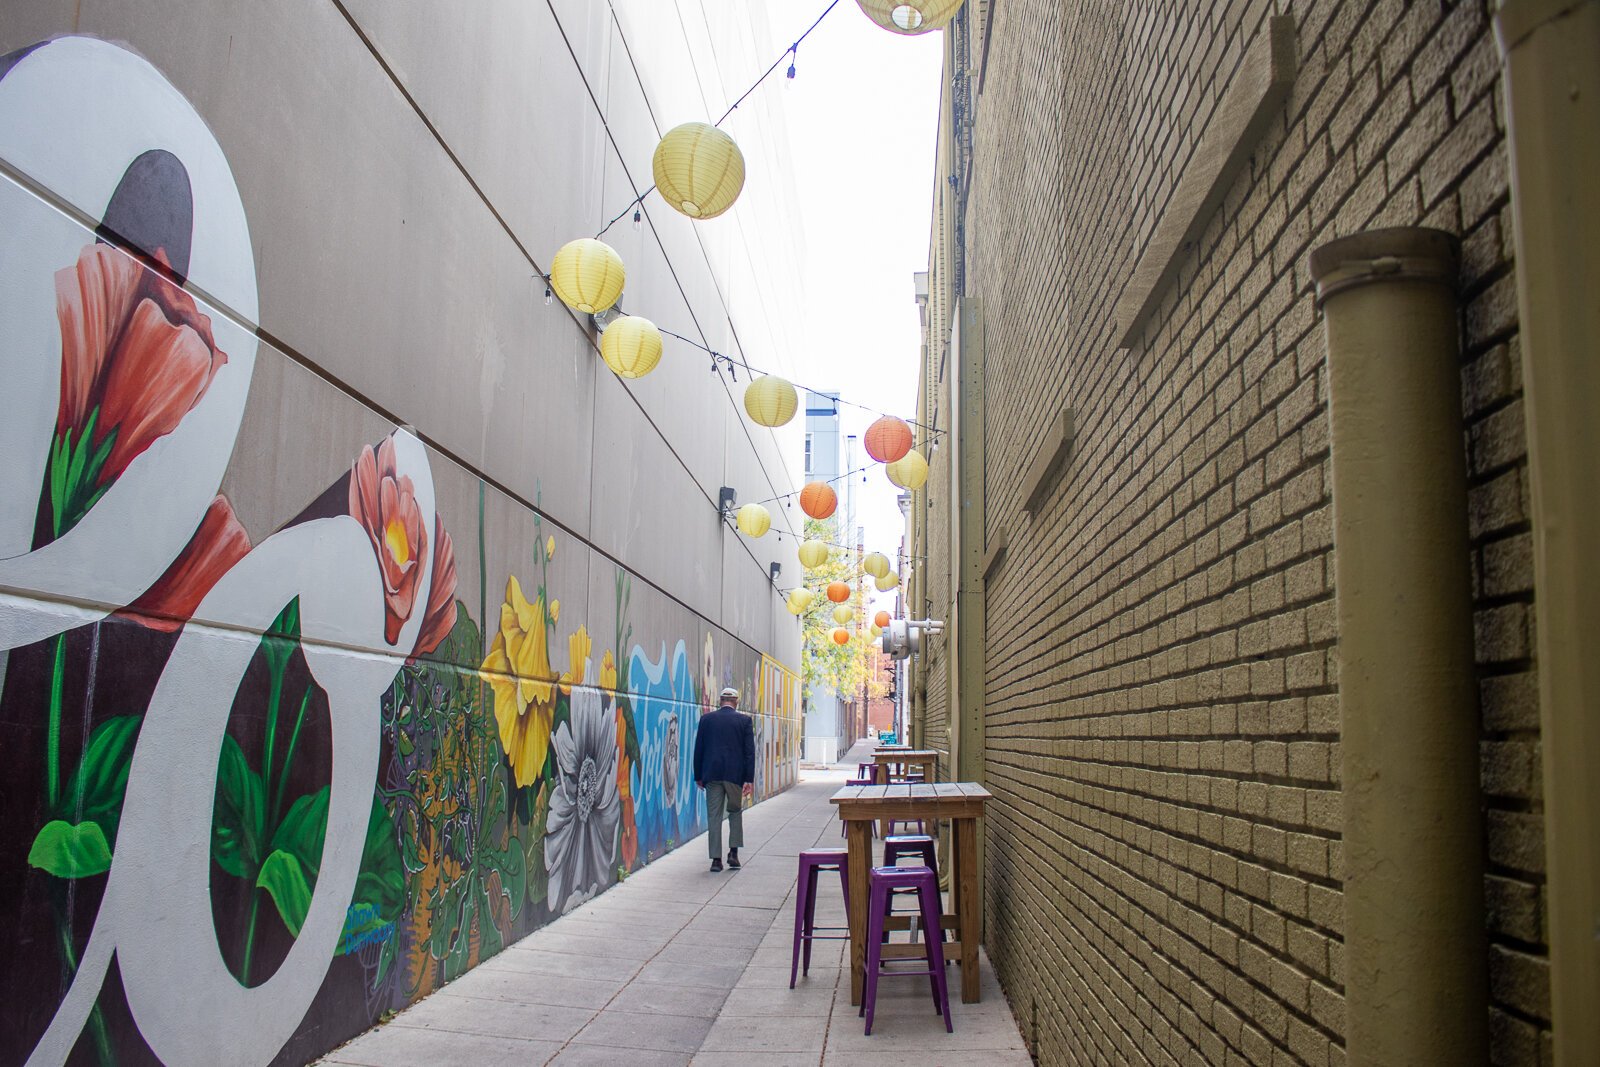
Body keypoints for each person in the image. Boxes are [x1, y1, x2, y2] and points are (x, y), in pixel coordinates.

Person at [694, 685, 755, 872]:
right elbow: (749, 753)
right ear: (736, 702)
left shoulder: (706, 720)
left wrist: (698, 775)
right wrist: (748, 779)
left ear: (720, 701)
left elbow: (699, 749)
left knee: (714, 817)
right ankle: (734, 853)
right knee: (735, 812)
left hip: (712, 775)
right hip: (734, 776)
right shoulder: (744, 721)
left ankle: (715, 860)